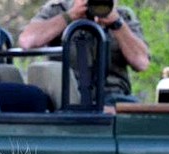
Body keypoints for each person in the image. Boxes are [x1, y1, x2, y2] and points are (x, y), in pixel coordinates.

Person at [17, 0, 149, 103]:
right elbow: (27, 41)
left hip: (115, 98)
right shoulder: (57, 10)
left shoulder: (123, 16)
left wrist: (116, 24)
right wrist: (70, 16)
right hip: (67, 100)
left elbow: (142, 63)